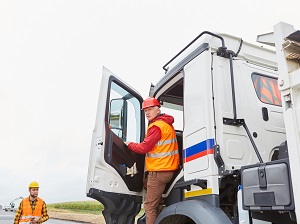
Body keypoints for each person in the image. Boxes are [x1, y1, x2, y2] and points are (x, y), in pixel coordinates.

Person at [125, 97, 179, 224]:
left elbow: (144, 148)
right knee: (146, 184)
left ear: (158, 110)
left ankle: (158, 213)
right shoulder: (166, 124)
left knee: (149, 206)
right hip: (166, 169)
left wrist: (129, 144)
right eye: (145, 111)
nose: (147, 113)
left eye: (150, 109)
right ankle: (161, 209)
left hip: (159, 171)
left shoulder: (156, 127)